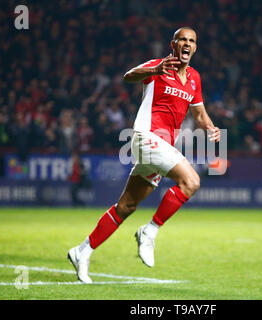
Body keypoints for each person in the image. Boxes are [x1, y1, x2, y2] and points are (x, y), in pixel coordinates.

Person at [67, 27, 221, 283]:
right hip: (146, 138)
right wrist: (155, 70)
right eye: (182, 39)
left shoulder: (194, 78)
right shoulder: (160, 66)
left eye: (191, 41)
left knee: (126, 207)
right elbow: (128, 76)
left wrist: (211, 127)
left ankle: (82, 250)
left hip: (160, 149)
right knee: (191, 181)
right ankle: (150, 231)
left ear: (195, 48)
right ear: (173, 44)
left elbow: (200, 114)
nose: (186, 43)